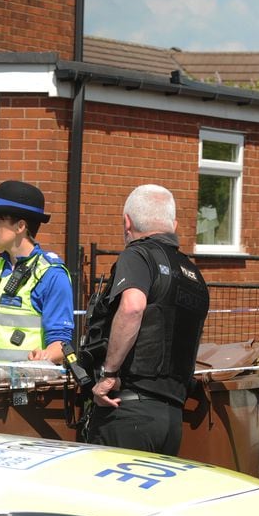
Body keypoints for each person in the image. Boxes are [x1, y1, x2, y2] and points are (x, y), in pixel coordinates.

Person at [81, 184, 210, 456]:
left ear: (127, 222)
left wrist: (109, 373)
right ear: (173, 225)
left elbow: (132, 308)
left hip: (128, 412)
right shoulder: (193, 274)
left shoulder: (138, 255)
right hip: (172, 419)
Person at [0, 180, 74, 363]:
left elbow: (61, 344)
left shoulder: (51, 274)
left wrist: (44, 357)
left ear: (20, 226)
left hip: (26, 387)